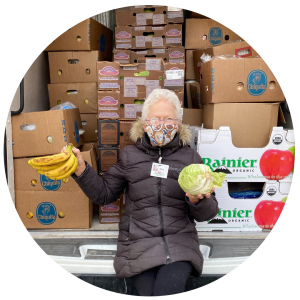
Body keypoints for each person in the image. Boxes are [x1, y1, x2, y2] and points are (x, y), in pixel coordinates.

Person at [64, 89, 219, 297]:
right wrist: (83, 171)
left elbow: (207, 214)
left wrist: (197, 201)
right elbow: (104, 194)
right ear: (145, 123)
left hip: (179, 243)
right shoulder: (130, 156)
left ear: (179, 123)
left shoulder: (190, 157)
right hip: (138, 242)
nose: (161, 124)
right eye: (155, 118)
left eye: (168, 118)